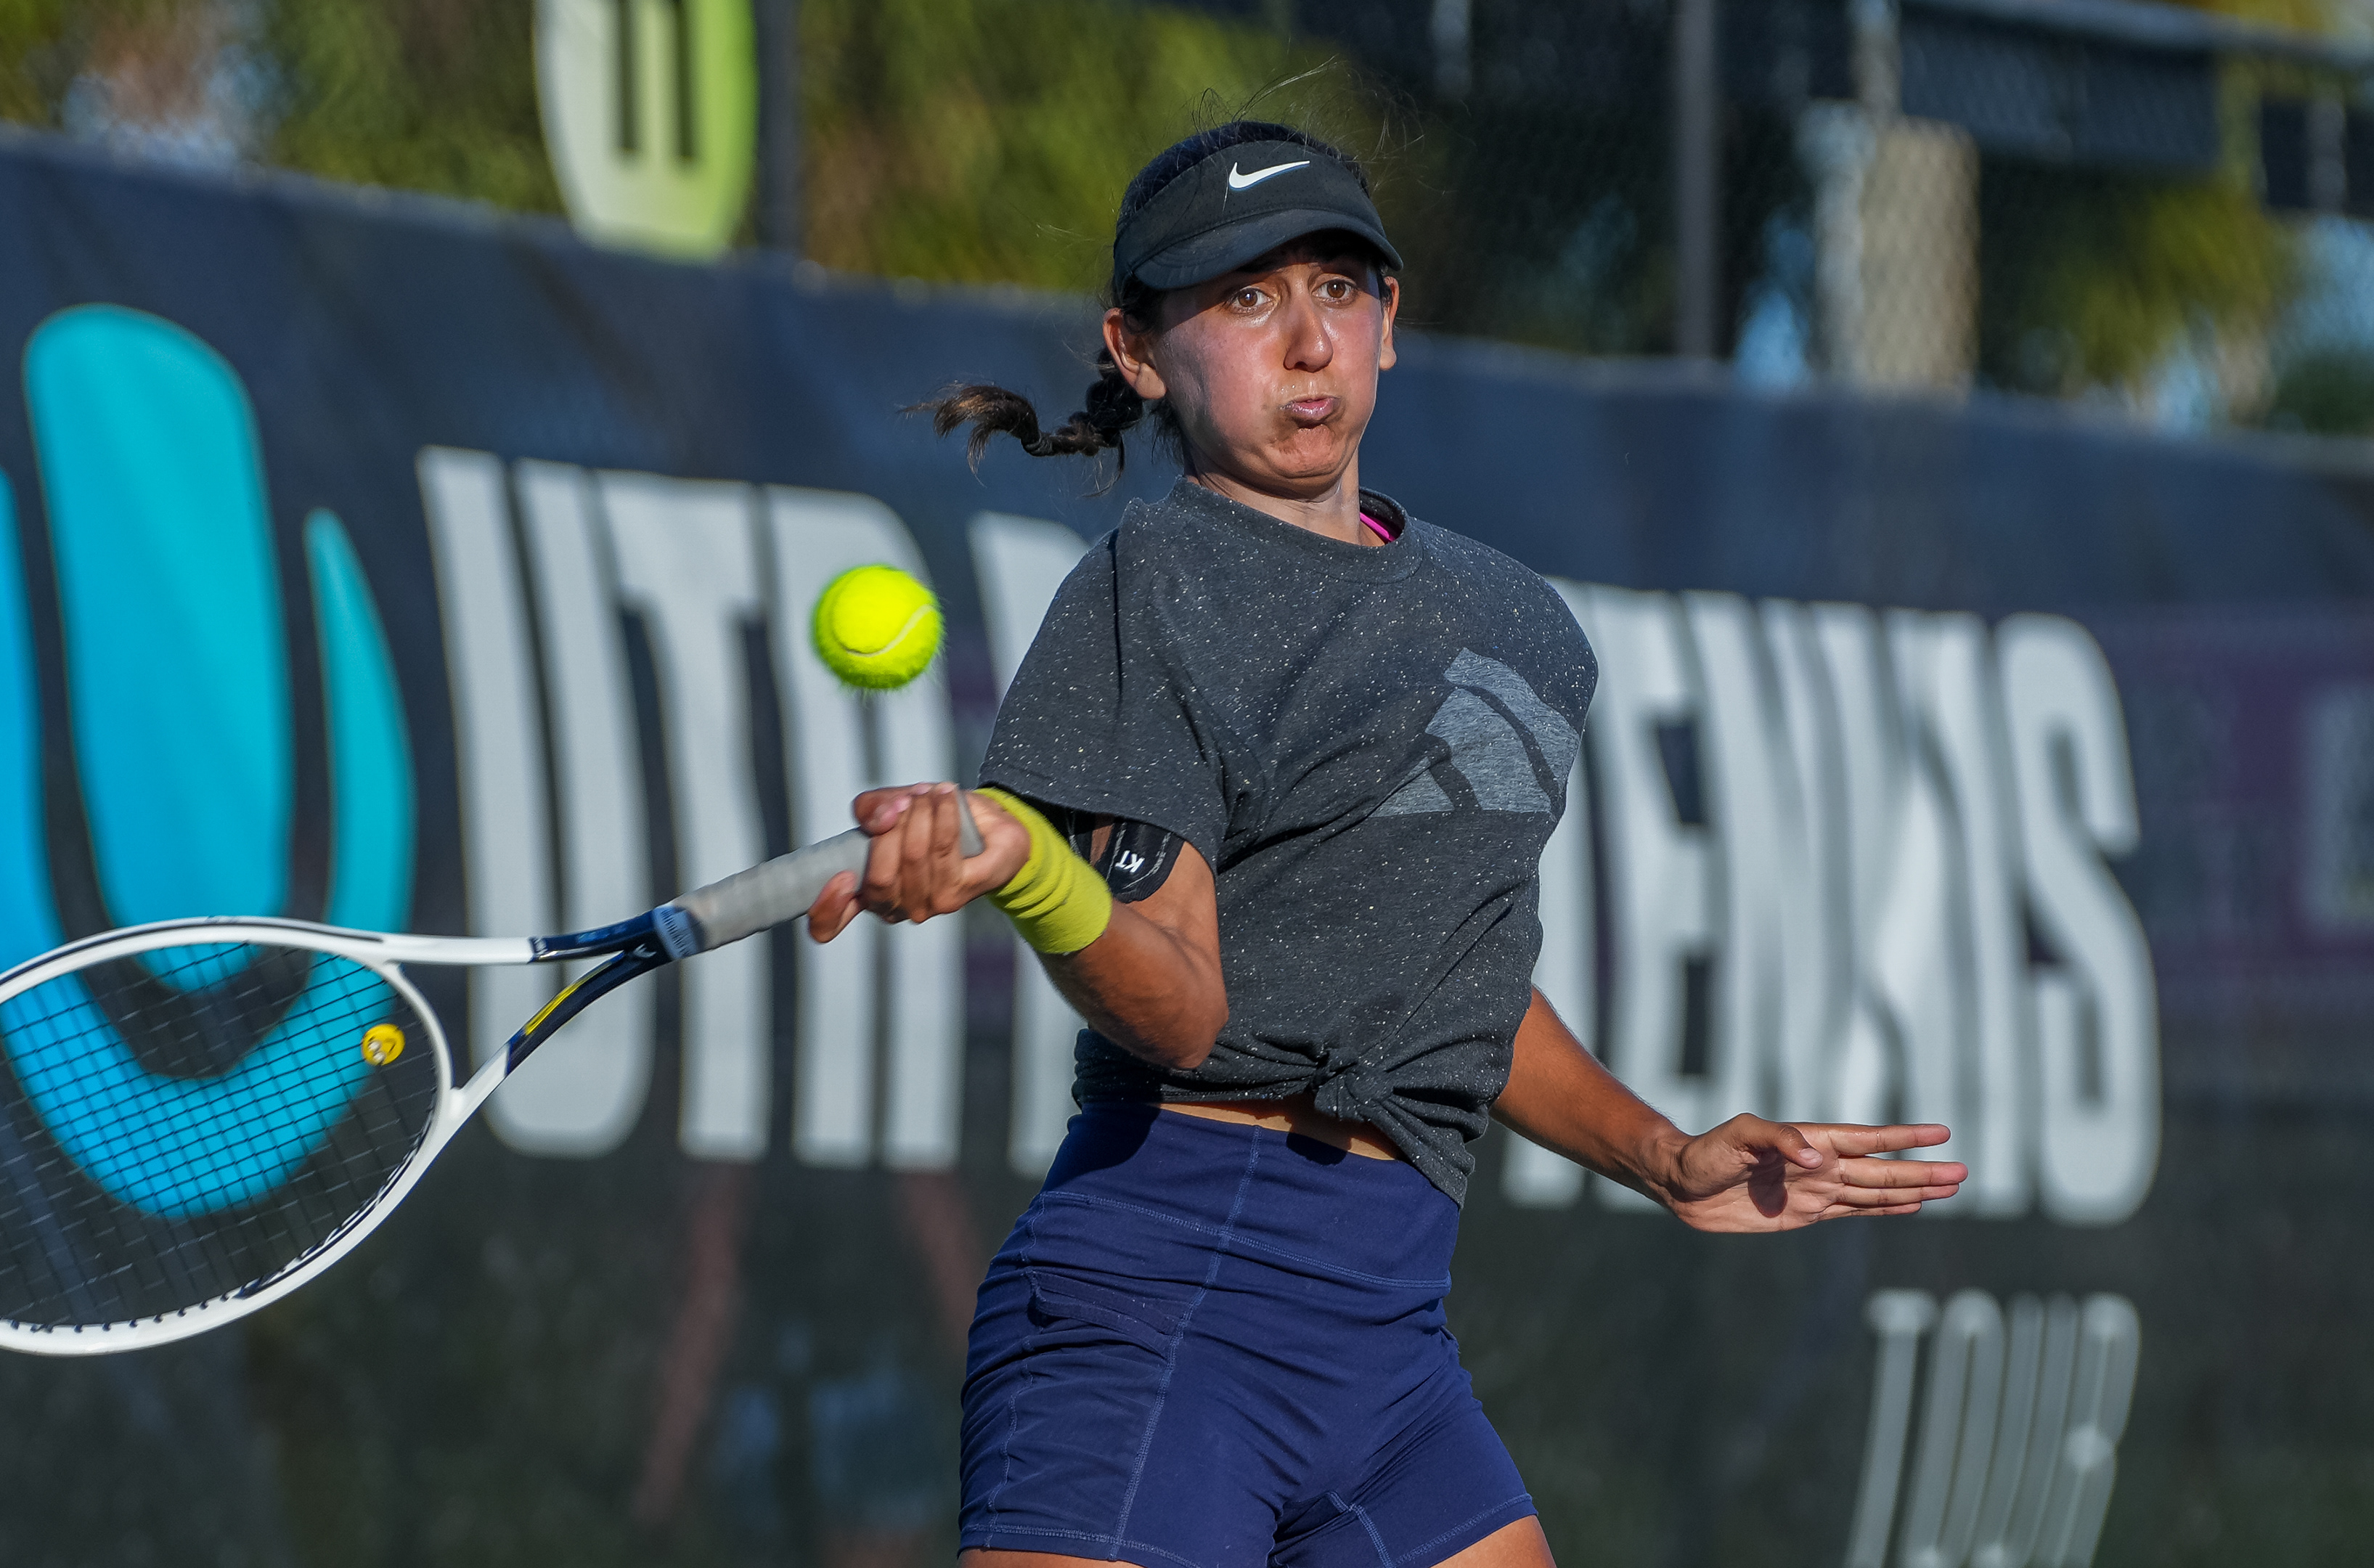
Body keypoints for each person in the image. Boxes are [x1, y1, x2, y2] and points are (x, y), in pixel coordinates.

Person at [805, 120, 1969, 1568]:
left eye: (1339, 288)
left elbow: (1446, 980)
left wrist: (1663, 1155)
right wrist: (1036, 875)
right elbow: (1178, 1004)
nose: (1308, 340)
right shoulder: (1156, 587)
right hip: (1164, 1308)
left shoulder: (1517, 627)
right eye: (1245, 297)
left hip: (1391, 1352)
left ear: (1390, 322)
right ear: (1139, 350)